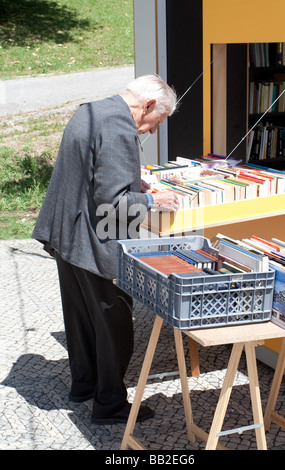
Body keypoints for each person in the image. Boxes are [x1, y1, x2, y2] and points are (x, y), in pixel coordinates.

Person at [32, 74, 179, 425]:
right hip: (93, 241)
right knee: (114, 322)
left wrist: (132, 179)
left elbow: (89, 171)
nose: (153, 130)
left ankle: (84, 386)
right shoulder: (119, 129)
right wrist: (152, 198)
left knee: (81, 317)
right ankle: (110, 405)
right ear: (146, 106)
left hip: (65, 233)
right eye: (157, 121)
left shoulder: (91, 111)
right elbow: (111, 204)